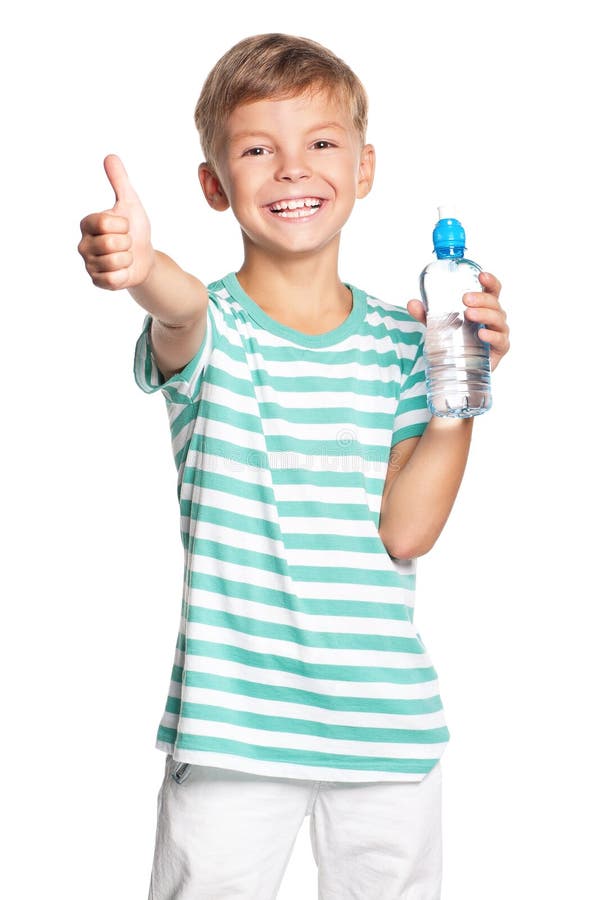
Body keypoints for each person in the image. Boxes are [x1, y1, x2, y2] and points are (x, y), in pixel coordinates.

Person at [78, 32, 510, 900]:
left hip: (387, 734)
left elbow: (407, 529)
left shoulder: (407, 342)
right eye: (255, 150)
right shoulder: (216, 330)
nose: (291, 170)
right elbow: (179, 303)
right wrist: (138, 267)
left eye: (320, 144)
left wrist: (460, 391)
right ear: (213, 184)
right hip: (236, 734)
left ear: (364, 167)